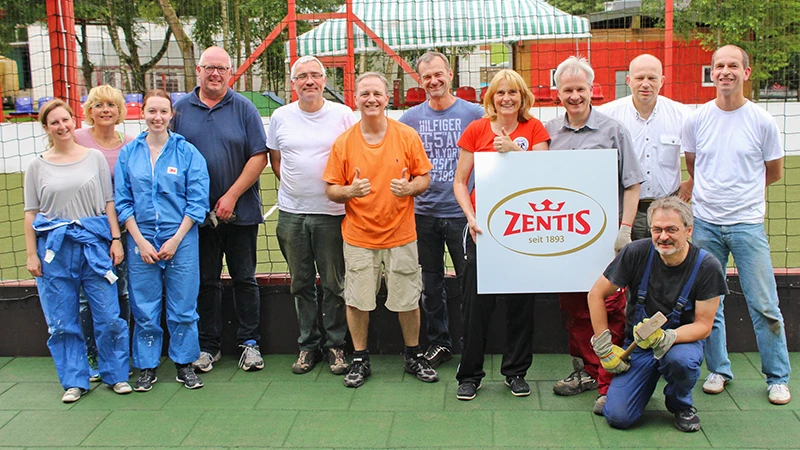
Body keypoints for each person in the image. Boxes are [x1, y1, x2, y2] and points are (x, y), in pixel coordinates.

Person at [683, 44, 792, 405]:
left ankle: (777, 377)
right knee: (708, 305)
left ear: (746, 72)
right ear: (712, 72)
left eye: (733, 65)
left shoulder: (762, 121)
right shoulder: (697, 119)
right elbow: (693, 165)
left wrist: (742, 197)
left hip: (747, 225)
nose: (725, 71)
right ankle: (718, 370)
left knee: (765, 305)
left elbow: (773, 172)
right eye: (719, 66)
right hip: (705, 224)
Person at [322, 72, 437, 388]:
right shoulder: (344, 142)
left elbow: (424, 178)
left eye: (377, 94)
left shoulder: (406, 135)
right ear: (355, 99)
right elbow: (331, 189)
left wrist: (410, 188)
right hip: (359, 237)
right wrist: (350, 191)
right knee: (357, 301)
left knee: (408, 300)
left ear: (387, 98)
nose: (371, 99)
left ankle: (413, 355)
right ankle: (360, 358)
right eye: (365, 94)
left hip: (401, 235)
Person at [545, 56, 644, 414]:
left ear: (592, 90)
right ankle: (585, 371)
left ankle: (608, 380)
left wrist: (624, 229)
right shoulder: (548, 132)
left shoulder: (613, 130)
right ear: (557, 93)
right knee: (572, 307)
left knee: (609, 307)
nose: (574, 96)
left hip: (604, 238)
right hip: (565, 236)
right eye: (567, 90)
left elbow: (632, 184)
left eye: (580, 89)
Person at [23, 99, 132, 403]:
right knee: (62, 320)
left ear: (74, 121)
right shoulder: (36, 166)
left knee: (109, 315)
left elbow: (108, 202)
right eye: (54, 123)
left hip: (94, 246)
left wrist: (115, 239)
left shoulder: (94, 158)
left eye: (65, 120)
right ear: (46, 128)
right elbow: (31, 213)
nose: (62, 127)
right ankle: (74, 381)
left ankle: (116, 375)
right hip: (55, 249)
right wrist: (32, 254)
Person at [588, 197, 727, 432]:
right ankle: (639, 386)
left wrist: (666, 337)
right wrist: (604, 346)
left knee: (681, 362)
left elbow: (704, 326)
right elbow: (596, 295)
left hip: (680, 344)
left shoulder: (707, 266)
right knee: (618, 417)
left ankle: (680, 404)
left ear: (688, 230)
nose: (663, 237)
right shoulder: (635, 253)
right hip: (638, 346)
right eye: (657, 229)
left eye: (672, 229)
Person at [453, 69, 550, 401]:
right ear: (491, 99)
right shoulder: (476, 129)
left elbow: (545, 174)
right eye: (500, 93)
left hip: (523, 230)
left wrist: (513, 150)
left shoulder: (534, 129)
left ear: (523, 97)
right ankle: (469, 375)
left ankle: (516, 373)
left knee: (521, 306)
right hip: (483, 232)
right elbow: (459, 182)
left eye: (513, 92)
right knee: (475, 307)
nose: (507, 98)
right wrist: (471, 217)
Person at [172, 46, 269, 372]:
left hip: (241, 214)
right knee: (204, 281)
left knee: (245, 279)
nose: (215, 74)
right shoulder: (179, 110)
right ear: (199, 70)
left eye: (222, 69)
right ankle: (208, 346)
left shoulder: (244, 108)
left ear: (230, 73)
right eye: (209, 67)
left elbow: (259, 156)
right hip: (196, 218)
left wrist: (231, 197)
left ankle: (250, 343)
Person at [115, 90, 210, 391]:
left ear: (172, 114)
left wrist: (176, 239)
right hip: (140, 237)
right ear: (143, 113)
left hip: (181, 237)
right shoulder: (129, 154)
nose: (157, 117)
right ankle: (147, 366)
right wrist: (140, 242)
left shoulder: (187, 152)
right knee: (144, 306)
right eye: (152, 111)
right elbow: (123, 202)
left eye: (163, 112)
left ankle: (184, 364)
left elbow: (198, 201)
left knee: (183, 304)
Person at [267, 55, 355, 375]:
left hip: (332, 213)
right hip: (292, 215)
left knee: (334, 284)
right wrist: (297, 191)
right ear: (293, 83)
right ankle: (308, 345)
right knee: (301, 283)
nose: (309, 81)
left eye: (315, 75)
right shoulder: (280, 116)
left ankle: (336, 345)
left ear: (324, 80)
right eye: (302, 76)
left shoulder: (343, 115)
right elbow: (276, 159)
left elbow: (354, 155)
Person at [399, 51, 484, 367]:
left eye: (438, 74)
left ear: (450, 74)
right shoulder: (409, 120)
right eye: (426, 77)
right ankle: (440, 343)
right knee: (430, 285)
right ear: (420, 81)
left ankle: (472, 344)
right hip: (423, 214)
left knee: (469, 283)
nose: (433, 81)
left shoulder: (474, 114)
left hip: (462, 214)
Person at [74, 85, 135, 382]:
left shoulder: (130, 144)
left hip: (121, 230)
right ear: (89, 111)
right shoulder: (78, 140)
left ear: (119, 110)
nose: (105, 110)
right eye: (98, 105)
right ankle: (92, 354)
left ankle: (120, 354)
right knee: (86, 296)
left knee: (123, 292)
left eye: (111, 105)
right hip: (87, 230)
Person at [597, 54, 693, 240]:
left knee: (670, 258)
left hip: (669, 210)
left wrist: (691, 184)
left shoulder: (681, 114)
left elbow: (703, 153)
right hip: (625, 212)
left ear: (662, 81)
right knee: (627, 258)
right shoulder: (607, 116)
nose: (645, 84)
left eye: (652, 78)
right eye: (640, 78)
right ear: (629, 80)